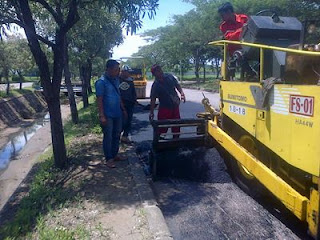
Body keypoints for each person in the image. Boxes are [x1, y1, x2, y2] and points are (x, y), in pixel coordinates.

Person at [95, 59, 127, 168]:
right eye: (116, 69)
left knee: (117, 134)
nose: (118, 71)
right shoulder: (101, 82)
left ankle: (114, 155)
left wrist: (123, 109)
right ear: (108, 69)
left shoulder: (116, 80)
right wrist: (101, 115)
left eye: (118, 69)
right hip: (107, 115)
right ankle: (108, 158)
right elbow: (99, 100)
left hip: (117, 113)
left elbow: (118, 95)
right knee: (108, 136)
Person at [149, 64, 185, 139]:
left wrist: (182, 94)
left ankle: (176, 140)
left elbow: (177, 85)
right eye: (157, 71)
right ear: (154, 74)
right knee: (162, 127)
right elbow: (153, 99)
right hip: (164, 108)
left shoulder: (169, 77)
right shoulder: (155, 85)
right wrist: (151, 112)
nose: (160, 71)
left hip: (175, 106)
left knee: (176, 125)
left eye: (160, 69)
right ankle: (160, 141)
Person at [119, 65, 137, 143]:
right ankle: (117, 136)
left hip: (129, 104)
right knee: (121, 121)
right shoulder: (117, 80)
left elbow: (133, 92)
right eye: (127, 72)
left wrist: (134, 99)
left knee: (128, 120)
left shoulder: (130, 81)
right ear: (123, 72)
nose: (129, 74)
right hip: (120, 104)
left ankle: (125, 136)